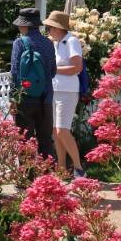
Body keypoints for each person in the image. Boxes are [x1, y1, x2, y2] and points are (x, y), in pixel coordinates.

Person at [10, 7, 56, 161]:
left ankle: (25, 181)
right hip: (46, 98)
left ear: (25, 25)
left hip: (25, 98)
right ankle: (46, 181)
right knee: (45, 140)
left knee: (24, 139)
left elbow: (15, 73)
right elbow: (53, 71)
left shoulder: (19, 43)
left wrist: (13, 99)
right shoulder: (48, 44)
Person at [43, 10, 85, 177]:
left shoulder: (71, 41)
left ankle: (79, 169)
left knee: (62, 131)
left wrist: (52, 69)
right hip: (55, 90)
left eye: (50, 27)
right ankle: (61, 170)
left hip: (67, 91)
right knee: (55, 131)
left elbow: (77, 68)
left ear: (59, 28)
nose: (48, 30)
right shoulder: (56, 43)